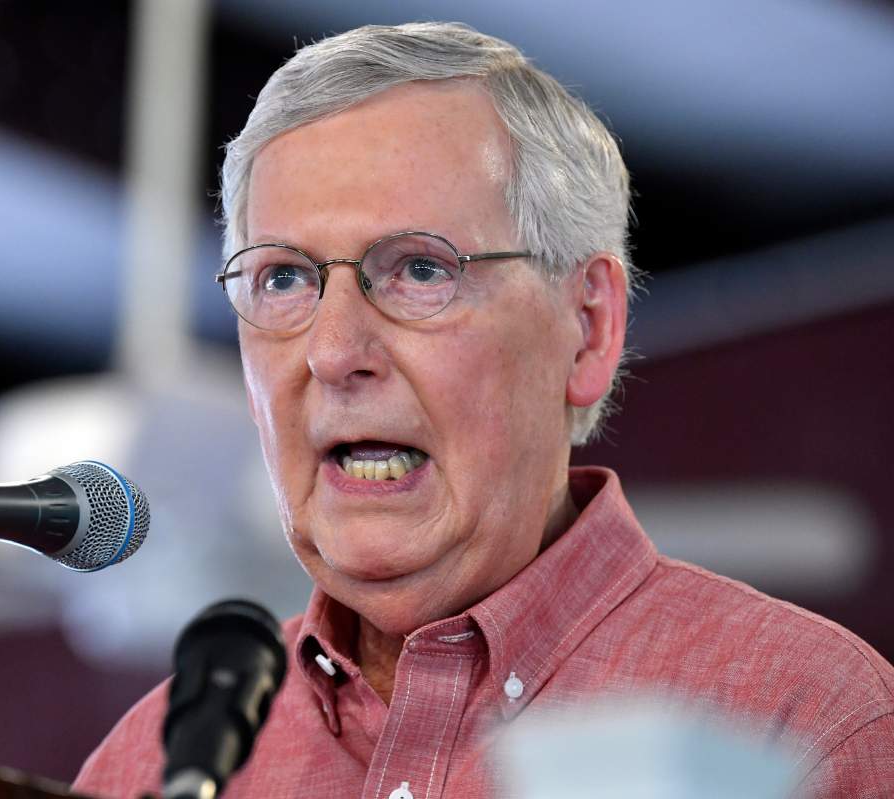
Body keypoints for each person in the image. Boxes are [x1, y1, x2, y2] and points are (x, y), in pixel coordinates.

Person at [73, 22, 894, 798]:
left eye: (419, 270)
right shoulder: (148, 764)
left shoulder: (807, 725)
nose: (333, 351)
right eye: (282, 278)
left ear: (588, 326)